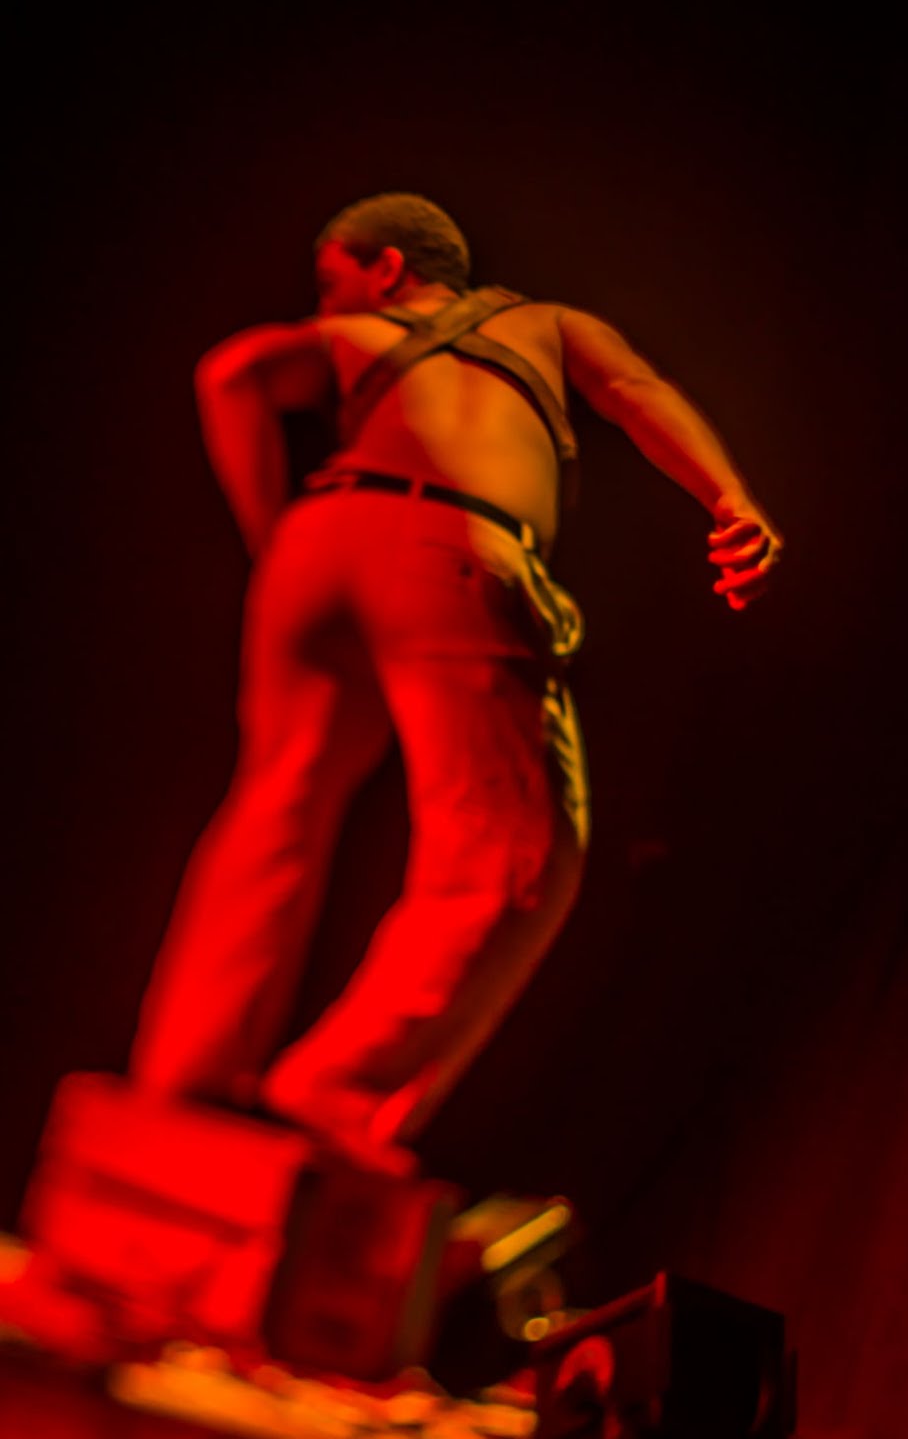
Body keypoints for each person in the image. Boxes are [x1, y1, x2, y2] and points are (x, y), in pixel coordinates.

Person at [129, 193, 783, 1176]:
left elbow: (231, 374)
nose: (325, 302)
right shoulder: (547, 327)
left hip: (321, 542)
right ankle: (336, 1089)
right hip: (451, 544)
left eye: (330, 281)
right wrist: (728, 499)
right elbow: (635, 389)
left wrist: (272, 542)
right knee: (512, 855)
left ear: (387, 268)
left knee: (276, 802)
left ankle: (181, 1070)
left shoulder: (357, 335)